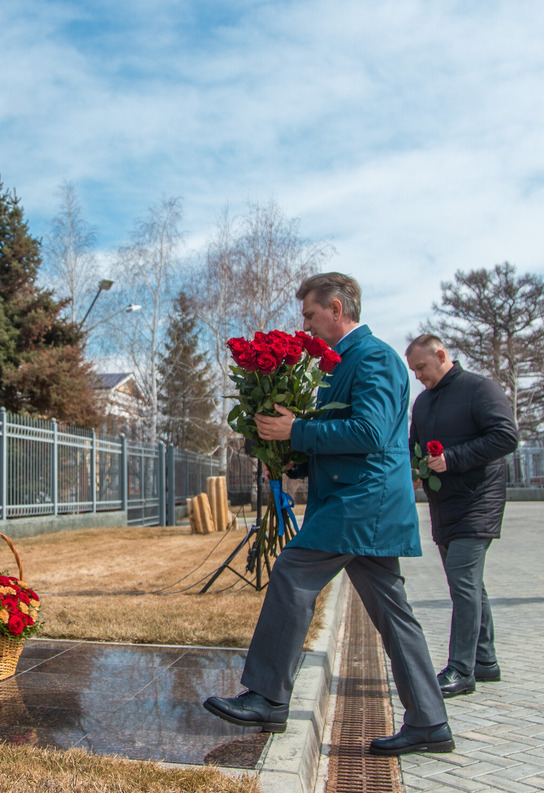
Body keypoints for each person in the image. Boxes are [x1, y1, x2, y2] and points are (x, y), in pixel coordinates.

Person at [204, 273, 453, 756]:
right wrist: (292, 454)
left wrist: (296, 432)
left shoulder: (374, 356)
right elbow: (341, 433)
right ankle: (429, 721)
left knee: (293, 574)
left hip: (362, 504)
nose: (306, 324)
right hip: (357, 503)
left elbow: (370, 432)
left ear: (336, 310)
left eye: (310, 315)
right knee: (394, 614)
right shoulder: (345, 363)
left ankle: (268, 697)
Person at [405, 335, 518, 698]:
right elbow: (415, 446)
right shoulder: (422, 403)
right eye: (414, 371)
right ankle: (485, 661)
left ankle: (460, 669)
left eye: (421, 367)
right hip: (444, 503)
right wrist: (418, 467)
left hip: (479, 498)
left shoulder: (480, 388)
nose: (418, 376)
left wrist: (453, 458)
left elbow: (505, 437)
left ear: (441, 355)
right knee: (468, 584)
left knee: (463, 581)